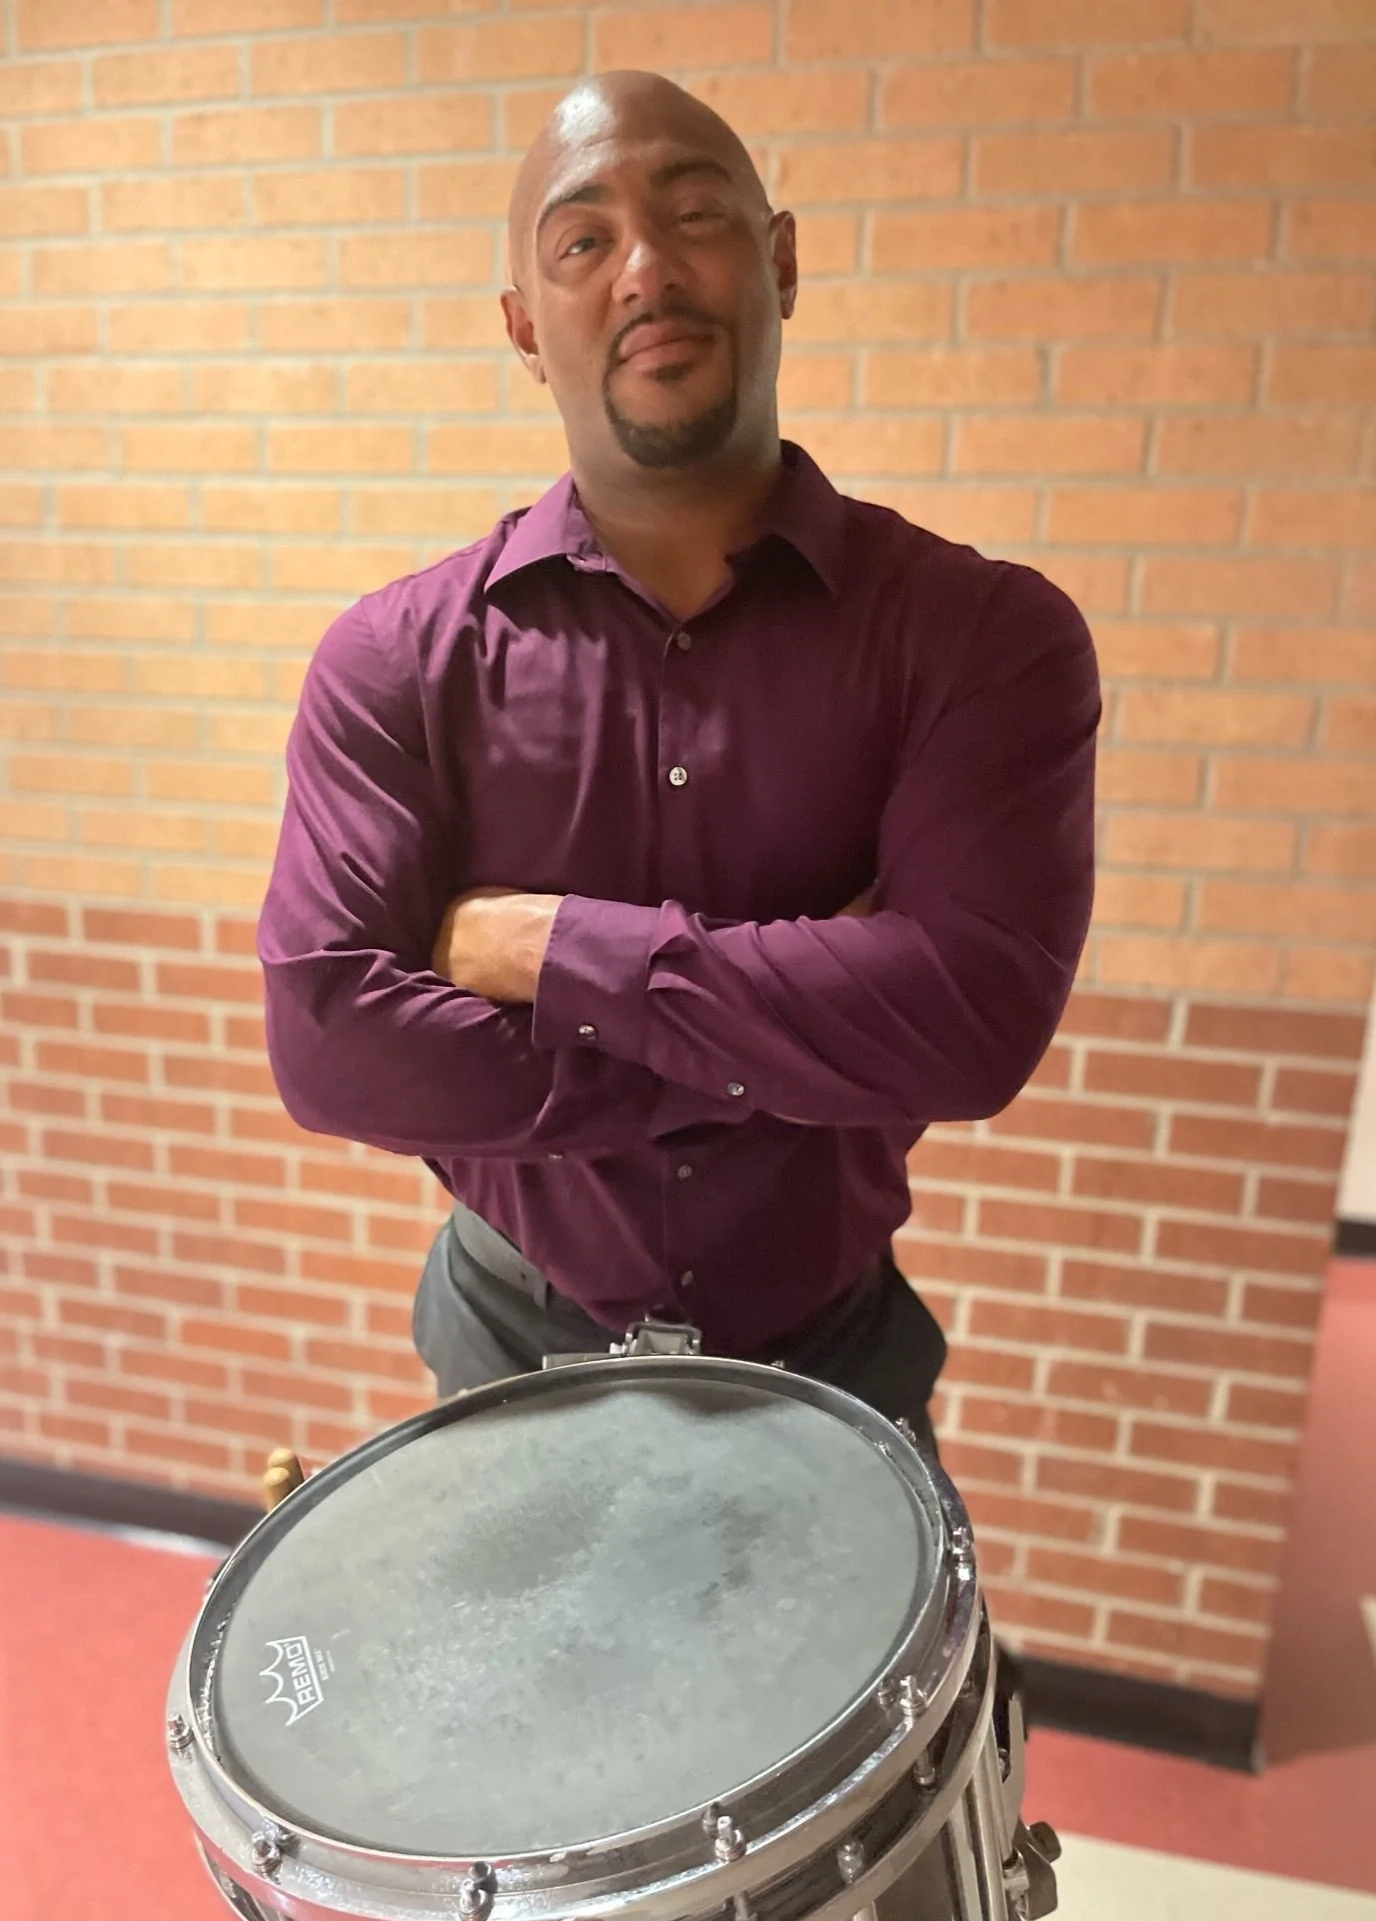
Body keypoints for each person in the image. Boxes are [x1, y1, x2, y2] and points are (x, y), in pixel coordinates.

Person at [257, 71, 1099, 1451]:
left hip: (836, 1370)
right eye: (583, 240)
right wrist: (798, 1037)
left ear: (779, 262)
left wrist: (550, 956)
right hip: (508, 1353)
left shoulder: (986, 640)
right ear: (527, 327)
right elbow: (333, 1046)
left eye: (696, 210)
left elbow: (971, 1023)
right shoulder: (397, 662)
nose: (646, 265)